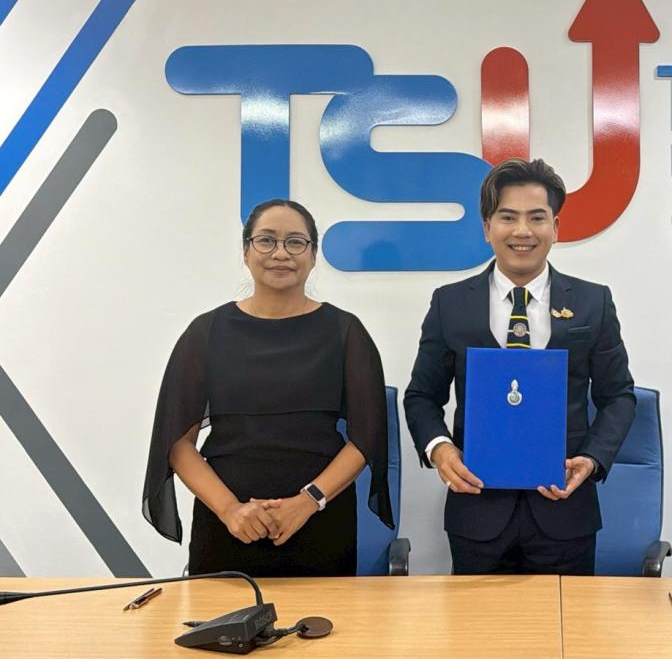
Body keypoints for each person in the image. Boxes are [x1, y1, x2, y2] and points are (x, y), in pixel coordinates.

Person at [404, 158, 636, 575]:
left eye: (537, 218)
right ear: (487, 228)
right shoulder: (450, 303)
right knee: (479, 619)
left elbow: (618, 395)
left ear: (556, 228)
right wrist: (440, 449)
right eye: (508, 217)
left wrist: (591, 458)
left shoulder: (592, 302)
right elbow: (422, 396)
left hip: (565, 508)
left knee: (567, 618)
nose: (523, 231)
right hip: (477, 509)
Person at [142, 199, 393, 576]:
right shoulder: (206, 332)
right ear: (246, 252)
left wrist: (308, 501)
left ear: (313, 256)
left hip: (319, 524)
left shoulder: (345, 332)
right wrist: (231, 510)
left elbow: (366, 438)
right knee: (222, 617)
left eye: (295, 242)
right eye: (266, 240)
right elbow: (177, 442)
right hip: (228, 527)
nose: (281, 253)